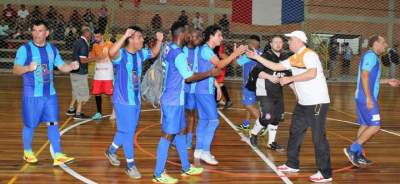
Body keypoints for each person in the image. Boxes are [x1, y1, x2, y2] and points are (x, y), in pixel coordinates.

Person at [247, 30, 332, 182]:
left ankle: (325, 173)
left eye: (291, 40)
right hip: (303, 103)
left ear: (299, 41)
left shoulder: (309, 55)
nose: (288, 42)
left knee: (318, 137)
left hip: (317, 102)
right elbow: (275, 66)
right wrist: (256, 57)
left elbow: (312, 74)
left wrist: (289, 79)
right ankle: (292, 164)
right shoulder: (294, 58)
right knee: (295, 132)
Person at [152, 22, 220, 184]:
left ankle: (185, 167)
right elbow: (189, 78)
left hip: (176, 98)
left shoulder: (169, 47)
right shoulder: (179, 54)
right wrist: (210, 73)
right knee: (168, 135)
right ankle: (158, 173)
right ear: (183, 34)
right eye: (189, 32)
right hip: (173, 100)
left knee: (181, 131)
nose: (191, 34)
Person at [13, 20, 78, 166]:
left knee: (53, 123)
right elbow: (15, 70)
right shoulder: (25, 49)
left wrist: (71, 66)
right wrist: (28, 68)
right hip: (32, 96)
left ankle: (58, 155)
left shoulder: (52, 49)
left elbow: (62, 67)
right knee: (30, 125)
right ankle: (27, 152)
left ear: (47, 33)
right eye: (34, 30)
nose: (37, 34)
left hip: (50, 95)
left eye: (40, 31)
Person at [104, 26, 163, 179]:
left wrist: (159, 40)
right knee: (129, 133)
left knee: (124, 130)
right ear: (130, 39)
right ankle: (130, 166)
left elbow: (154, 53)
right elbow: (111, 53)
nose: (142, 40)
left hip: (135, 100)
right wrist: (124, 36)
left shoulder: (139, 54)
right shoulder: (121, 55)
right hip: (123, 100)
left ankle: (111, 151)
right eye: (139, 37)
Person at [344, 35, 400, 168]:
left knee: (364, 124)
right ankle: (352, 149)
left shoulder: (373, 57)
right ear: (376, 44)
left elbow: (371, 79)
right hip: (366, 97)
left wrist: (387, 81)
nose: (385, 45)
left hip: (363, 96)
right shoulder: (370, 56)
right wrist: (369, 97)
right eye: (383, 42)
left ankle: (358, 154)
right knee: (375, 126)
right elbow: (364, 76)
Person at [194, 25, 246, 165]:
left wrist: (216, 86)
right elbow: (219, 65)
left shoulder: (205, 50)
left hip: (203, 88)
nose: (221, 38)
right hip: (203, 90)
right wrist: (234, 55)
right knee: (214, 120)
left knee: (204, 120)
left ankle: (198, 150)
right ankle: (205, 151)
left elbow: (209, 71)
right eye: (219, 35)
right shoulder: (205, 50)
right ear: (211, 36)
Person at [246, 35, 292, 152]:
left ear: (283, 44)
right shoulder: (265, 56)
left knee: (276, 117)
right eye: (275, 42)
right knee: (267, 116)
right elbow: (258, 73)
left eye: (280, 42)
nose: (278, 44)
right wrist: (270, 77)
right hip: (264, 90)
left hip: (277, 91)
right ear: (270, 44)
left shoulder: (285, 58)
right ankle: (253, 133)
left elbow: (287, 76)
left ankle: (271, 142)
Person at [65, 27, 93, 120]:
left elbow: (78, 56)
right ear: (86, 34)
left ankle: (71, 109)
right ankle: (78, 113)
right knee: (81, 92)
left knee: (76, 91)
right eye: (90, 33)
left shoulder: (77, 41)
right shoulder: (84, 44)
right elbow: (83, 60)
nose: (91, 35)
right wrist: (95, 58)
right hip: (80, 72)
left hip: (74, 70)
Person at [236, 35, 261, 130]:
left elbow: (235, 64)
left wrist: (235, 53)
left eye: (249, 42)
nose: (248, 44)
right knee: (251, 104)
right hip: (258, 84)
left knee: (248, 104)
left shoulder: (249, 55)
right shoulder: (260, 53)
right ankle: (246, 123)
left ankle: (263, 125)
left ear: (253, 44)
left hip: (249, 84)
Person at [183, 29, 202, 149]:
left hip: (193, 88)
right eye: (196, 37)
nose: (199, 39)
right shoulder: (181, 50)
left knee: (190, 113)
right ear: (189, 37)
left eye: (200, 37)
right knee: (180, 114)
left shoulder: (201, 51)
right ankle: (178, 137)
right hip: (180, 88)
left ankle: (189, 140)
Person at [89, 29, 114, 120]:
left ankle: (114, 112)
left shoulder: (110, 44)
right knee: (97, 93)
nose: (96, 38)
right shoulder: (94, 46)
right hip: (98, 73)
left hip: (108, 74)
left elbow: (114, 57)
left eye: (98, 36)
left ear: (102, 36)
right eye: (95, 36)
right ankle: (99, 112)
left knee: (111, 94)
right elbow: (92, 57)